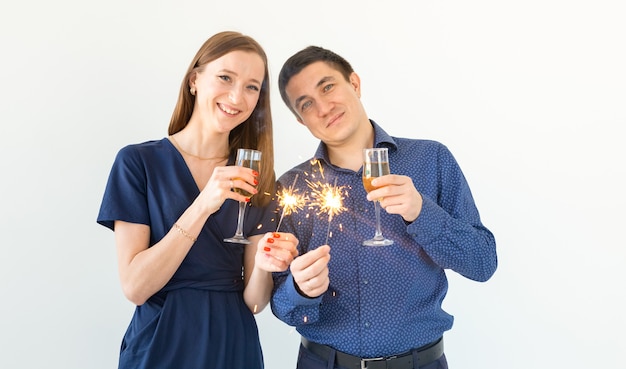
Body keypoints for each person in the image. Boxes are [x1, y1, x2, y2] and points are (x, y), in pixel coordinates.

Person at [270, 45, 497, 369]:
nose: (323, 107)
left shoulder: (431, 159)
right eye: (306, 104)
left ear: (355, 83)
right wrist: (300, 290)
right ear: (299, 119)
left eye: (328, 86)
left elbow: (482, 263)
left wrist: (422, 213)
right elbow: (280, 305)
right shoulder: (293, 187)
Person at [97, 31, 299, 369]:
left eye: (252, 86)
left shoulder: (259, 178)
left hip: (232, 344)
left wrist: (265, 267)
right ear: (194, 80)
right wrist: (204, 204)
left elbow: (253, 302)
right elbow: (135, 287)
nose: (237, 96)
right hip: (160, 344)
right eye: (225, 77)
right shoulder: (137, 163)